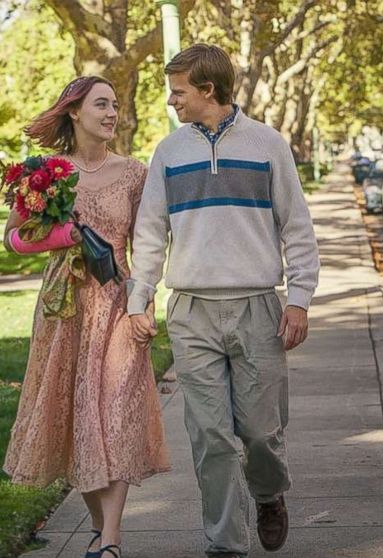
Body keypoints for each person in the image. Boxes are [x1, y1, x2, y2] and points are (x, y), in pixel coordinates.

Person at [127, 44, 320, 557]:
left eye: (178, 91)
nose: (172, 101)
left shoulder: (268, 144)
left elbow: (296, 227)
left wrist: (298, 299)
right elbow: (149, 233)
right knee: (210, 436)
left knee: (260, 433)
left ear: (208, 90)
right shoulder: (168, 152)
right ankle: (224, 545)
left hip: (259, 306)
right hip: (191, 311)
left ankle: (269, 494)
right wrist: (139, 299)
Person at [2, 75, 169, 558]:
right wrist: (63, 238)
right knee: (78, 419)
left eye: (116, 104)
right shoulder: (48, 173)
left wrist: (145, 304)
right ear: (74, 112)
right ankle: (101, 531)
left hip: (118, 300)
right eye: (102, 104)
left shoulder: (135, 173)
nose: (112, 112)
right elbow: (12, 239)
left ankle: (111, 540)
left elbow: (149, 247)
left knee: (116, 412)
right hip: (65, 307)